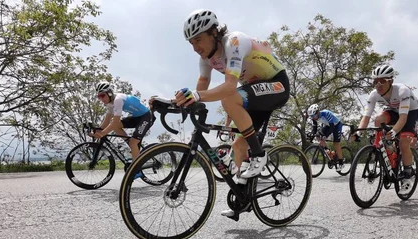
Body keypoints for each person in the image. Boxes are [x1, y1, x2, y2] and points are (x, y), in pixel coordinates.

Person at [173, 9, 290, 218]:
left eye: (198, 40)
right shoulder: (207, 59)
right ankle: (242, 200)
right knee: (237, 145)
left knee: (229, 96)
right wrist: (180, 101)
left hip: (277, 84)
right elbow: (201, 87)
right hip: (254, 91)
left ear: (214, 33)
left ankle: (259, 155)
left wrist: (197, 97)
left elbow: (228, 87)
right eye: (191, 43)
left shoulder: (233, 42)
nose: (195, 48)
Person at [357, 64, 418, 195]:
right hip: (392, 110)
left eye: (382, 81)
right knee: (378, 120)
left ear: (391, 81)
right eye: (375, 81)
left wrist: (394, 132)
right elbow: (366, 116)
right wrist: (358, 132)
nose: (378, 85)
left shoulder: (403, 91)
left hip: (409, 112)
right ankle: (384, 153)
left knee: (403, 143)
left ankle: (408, 174)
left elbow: (403, 118)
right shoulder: (374, 94)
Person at [94, 82, 154, 168]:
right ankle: (133, 147)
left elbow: (114, 122)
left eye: (102, 95)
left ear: (109, 93)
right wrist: (98, 129)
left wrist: (103, 133)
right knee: (118, 127)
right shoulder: (110, 103)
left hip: (146, 117)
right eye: (99, 97)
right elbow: (107, 120)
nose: (101, 99)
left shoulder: (118, 100)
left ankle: (136, 170)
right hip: (136, 117)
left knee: (133, 142)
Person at [307, 104, 345, 169]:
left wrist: (325, 136)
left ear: (317, 112)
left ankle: (341, 162)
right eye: (311, 116)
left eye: (313, 116)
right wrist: (312, 135)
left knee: (336, 143)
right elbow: (314, 129)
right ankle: (329, 152)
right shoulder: (314, 118)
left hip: (337, 125)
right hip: (328, 125)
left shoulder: (326, 113)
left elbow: (332, 127)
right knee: (319, 135)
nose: (312, 117)